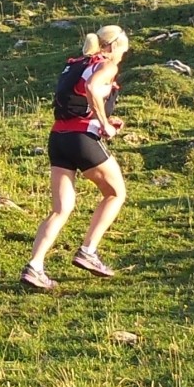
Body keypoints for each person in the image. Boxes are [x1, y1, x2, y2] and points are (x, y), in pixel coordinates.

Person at [22, 26, 130, 291]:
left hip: (58, 139)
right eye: (124, 51)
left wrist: (100, 117)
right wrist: (103, 124)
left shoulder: (77, 63)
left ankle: (35, 266)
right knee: (116, 193)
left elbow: (77, 98)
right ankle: (88, 251)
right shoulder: (106, 65)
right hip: (81, 139)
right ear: (113, 47)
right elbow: (93, 88)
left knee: (61, 209)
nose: (123, 56)